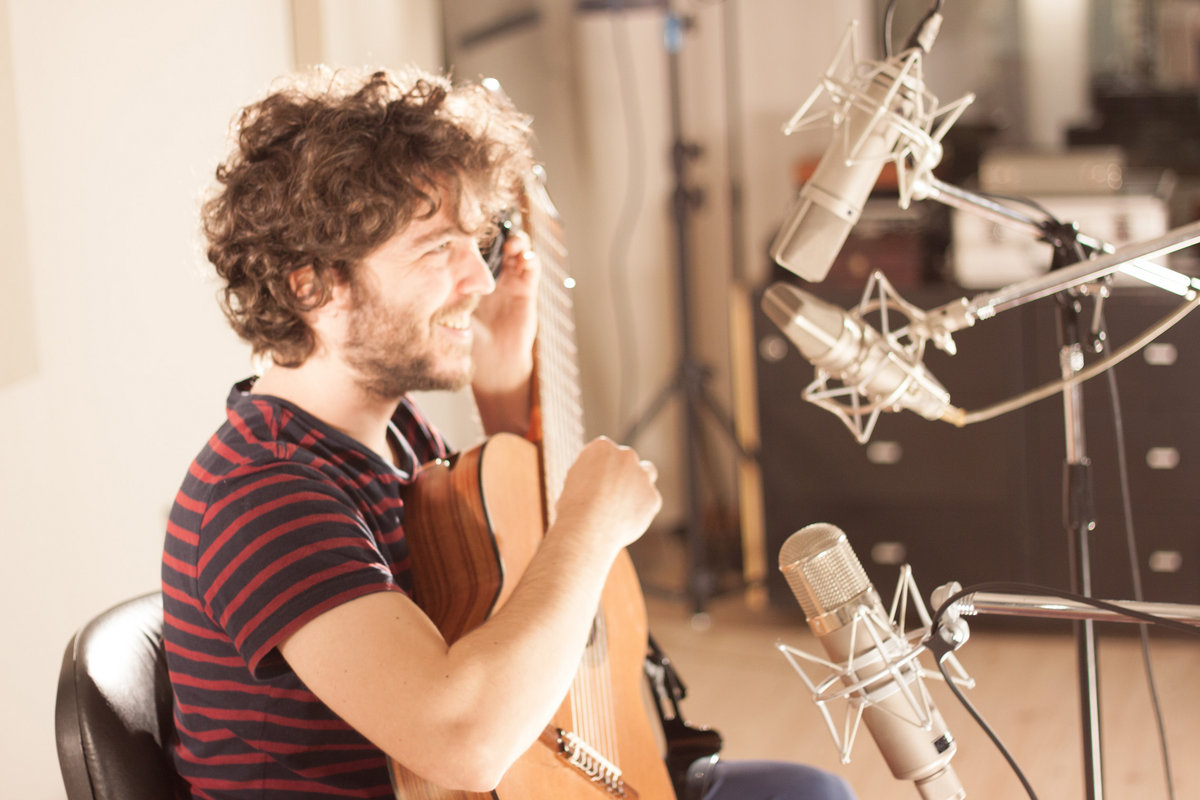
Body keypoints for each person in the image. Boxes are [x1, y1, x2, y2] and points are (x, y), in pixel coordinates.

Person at [162, 65, 855, 800]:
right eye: (437, 249)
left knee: (808, 792)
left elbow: (487, 581)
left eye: (475, 242)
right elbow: (463, 744)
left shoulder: (390, 434)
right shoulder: (262, 494)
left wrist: (501, 391)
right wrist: (590, 526)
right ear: (312, 286)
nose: (482, 280)